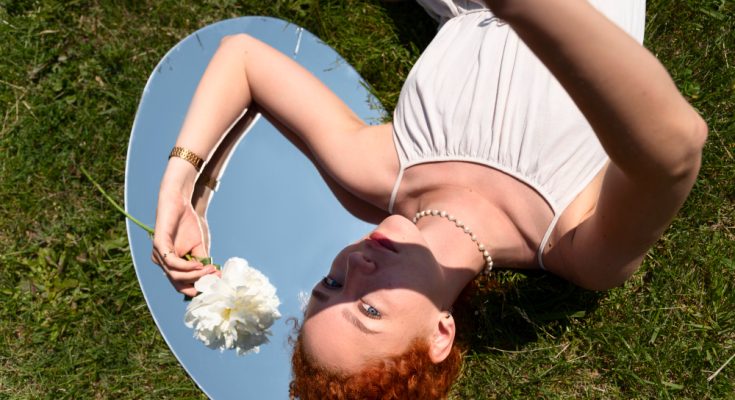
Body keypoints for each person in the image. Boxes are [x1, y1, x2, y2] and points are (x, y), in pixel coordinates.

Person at [151, 0, 707, 398]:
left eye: (331, 285)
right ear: (440, 334)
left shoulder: (378, 172)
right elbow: (676, 147)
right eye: (369, 310)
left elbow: (243, 58)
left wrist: (182, 182)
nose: (357, 268)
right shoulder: (575, 247)